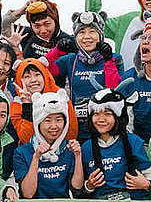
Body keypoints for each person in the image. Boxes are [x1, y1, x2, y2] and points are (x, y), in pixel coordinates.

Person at [45, 11, 123, 140]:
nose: (87, 37)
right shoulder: (70, 60)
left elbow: (114, 90)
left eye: (92, 31)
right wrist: (57, 51)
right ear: (76, 37)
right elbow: (43, 69)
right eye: (81, 32)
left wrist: (108, 60)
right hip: (78, 131)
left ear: (101, 34)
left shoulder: (114, 58)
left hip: (105, 130)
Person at [11, 57, 78, 144]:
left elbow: (72, 133)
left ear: (45, 75)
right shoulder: (17, 104)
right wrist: (27, 106)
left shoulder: (60, 96)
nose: (33, 80)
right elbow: (27, 139)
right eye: (27, 76)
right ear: (20, 80)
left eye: (37, 74)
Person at [2, 0, 73, 61]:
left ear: (56, 21)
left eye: (47, 24)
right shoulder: (26, 34)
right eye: (37, 26)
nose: (43, 30)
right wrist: (20, 12)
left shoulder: (68, 41)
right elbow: (3, 25)